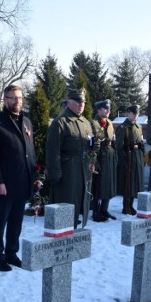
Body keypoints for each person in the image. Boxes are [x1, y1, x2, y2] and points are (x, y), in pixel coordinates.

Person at [0, 85, 36, 272]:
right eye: (13, 98)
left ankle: (11, 252)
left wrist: (35, 175)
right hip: (5, 183)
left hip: (23, 180)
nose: (17, 101)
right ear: (5, 99)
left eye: (20, 98)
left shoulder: (27, 122)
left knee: (17, 220)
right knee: (0, 222)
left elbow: (30, 151)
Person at [46, 87, 93, 228]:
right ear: (69, 102)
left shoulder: (85, 122)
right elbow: (52, 150)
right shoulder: (60, 122)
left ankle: (74, 226)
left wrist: (92, 161)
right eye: (77, 102)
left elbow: (90, 144)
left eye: (83, 102)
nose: (81, 105)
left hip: (82, 169)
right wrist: (54, 173)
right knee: (66, 201)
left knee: (80, 200)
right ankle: (63, 230)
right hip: (67, 170)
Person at [115, 104, 145, 215]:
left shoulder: (138, 126)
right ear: (128, 113)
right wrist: (124, 160)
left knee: (134, 183)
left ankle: (131, 205)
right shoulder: (123, 127)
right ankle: (126, 206)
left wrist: (142, 152)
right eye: (133, 113)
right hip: (128, 158)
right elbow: (119, 146)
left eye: (137, 114)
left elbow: (140, 141)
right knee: (128, 182)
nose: (136, 116)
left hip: (137, 157)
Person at [91, 99, 117, 222]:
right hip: (99, 155)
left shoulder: (110, 123)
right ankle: (96, 210)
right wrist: (94, 161)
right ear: (99, 110)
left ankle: (105, 209)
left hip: (109, 156)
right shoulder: (93, 123)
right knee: (98, 185)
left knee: (108, 184)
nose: (108, 111)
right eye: (105, 109)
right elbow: (91, 144)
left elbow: (113, 141)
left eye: (108, 109)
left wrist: (115, 157)